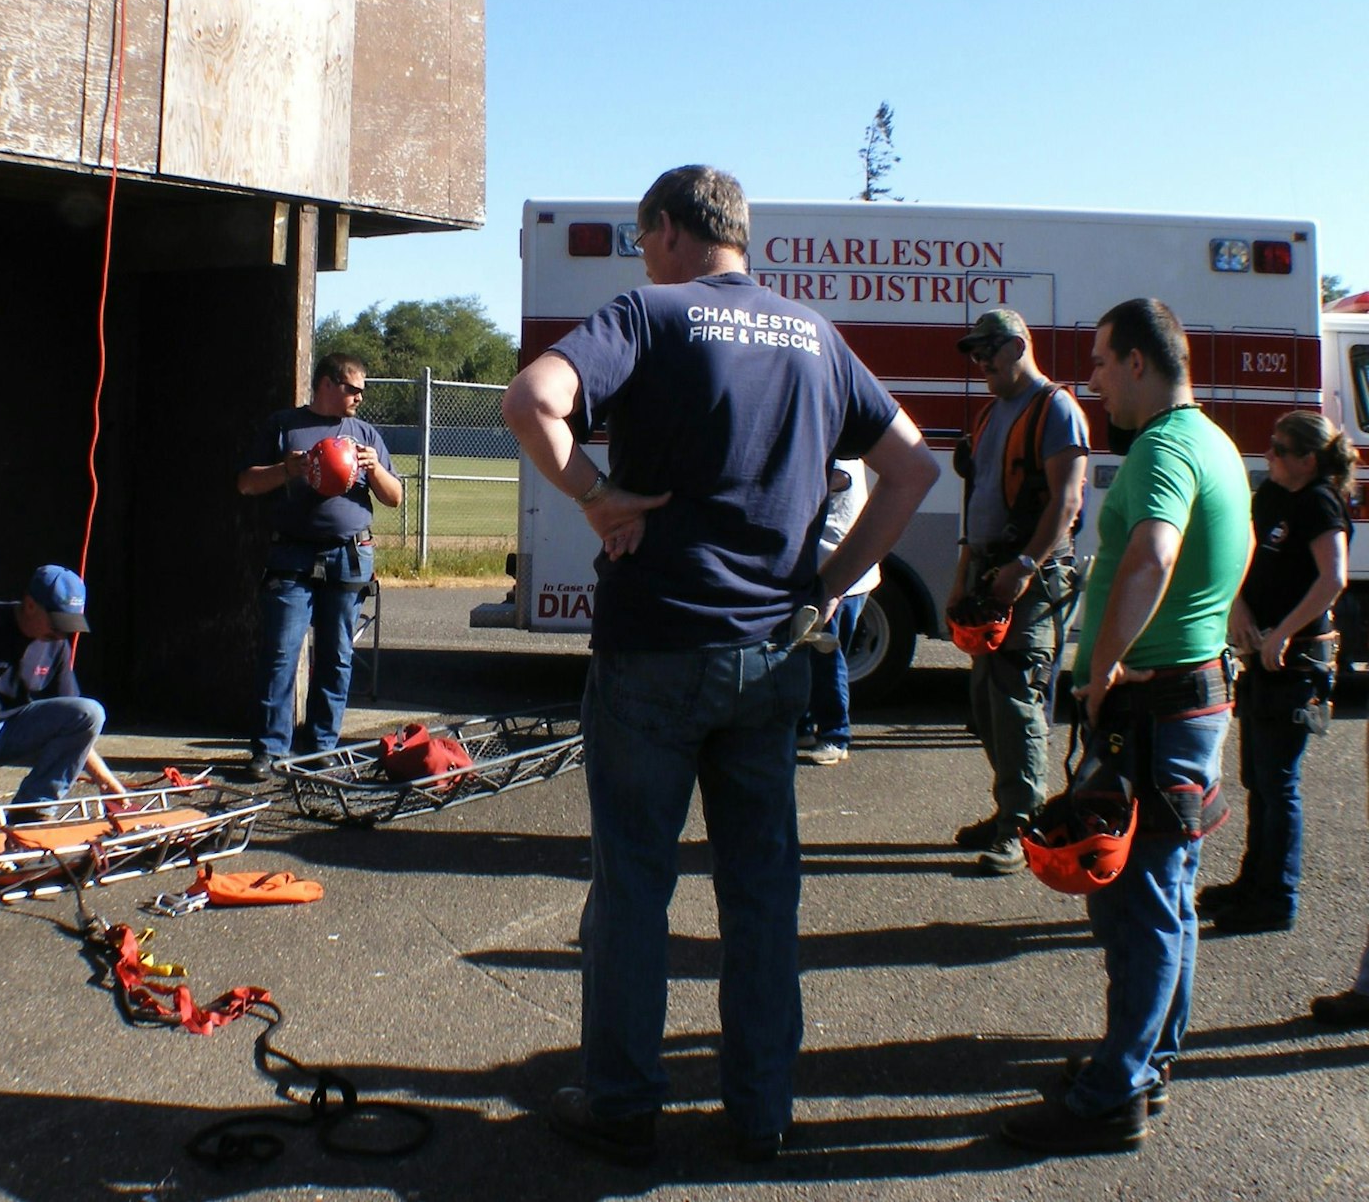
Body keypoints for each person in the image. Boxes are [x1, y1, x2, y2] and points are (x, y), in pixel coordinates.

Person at [503, 164, 938, 1165]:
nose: (640, 255)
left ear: (667, 229)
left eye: (640, 237)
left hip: (654, 648)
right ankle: (760, 1111)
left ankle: (622, 1104)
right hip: (769, 656)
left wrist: (595, 496)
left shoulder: (648, 314)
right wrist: (829, 585)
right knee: (759, 895)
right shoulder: (815, 336)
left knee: (632, 889)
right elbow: (912, 467)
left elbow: (531, 401)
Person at [1001, 298, 1251, 1154]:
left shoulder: (1162, 447)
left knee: (1139, 904)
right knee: (1169, 895)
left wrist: (1104, 664)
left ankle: (1115, 1093)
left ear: (1140, 362)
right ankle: (1146, 1061)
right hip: (1193, 696)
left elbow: (1152, 553)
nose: (1095, 378)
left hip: (1154, 709)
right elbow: (1234, 552)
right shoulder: (1215, 442)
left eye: (1104, 361)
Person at [947, 307, 1090, 875]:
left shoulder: (1056, 408)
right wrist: (962, 572)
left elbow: (1068, 500)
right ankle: (1010, 807)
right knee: (987, 704)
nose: (980, 361)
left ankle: (1022, 826)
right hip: (988, 570)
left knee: (1015, 698)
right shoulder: (991, 414)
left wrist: (1026, 566)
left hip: (1033, 576)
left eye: (987, 350)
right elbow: (977, 498)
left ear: (1017, 346)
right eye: (975, 353)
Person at [1203, 411, 1352, 935]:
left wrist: (1284, 632)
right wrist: (1238, 607)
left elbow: (1333, 579)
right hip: (1260, 655)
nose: (1268, 454)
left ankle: (1276, 897)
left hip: (1297, 662)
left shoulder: (1319, 503)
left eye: (1280, 449)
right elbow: (1240, 557)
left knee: (1279, 782)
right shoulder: (1270, 495)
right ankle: (1253, 883)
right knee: (1257, 780)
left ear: (1308, 460)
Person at [236, 353, 403, 775]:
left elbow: (395, 497)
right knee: (281, 652)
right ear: (326, 384)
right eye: (353, 389)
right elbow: (247, 483)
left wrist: (374, 469)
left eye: (363, 390)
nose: (360, 397)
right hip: (292, 556)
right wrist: (287, 469)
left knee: (337, 655)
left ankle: (320, 746)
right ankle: (270, 750)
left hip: (347, 555)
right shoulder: (283, 425)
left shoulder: (365, 435)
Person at [0, 564, 126, 819]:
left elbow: (78, 725)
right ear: (30, 605)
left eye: (68, 624)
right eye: (56, 623)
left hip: (16, 728)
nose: (62, 633)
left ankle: (34, 808)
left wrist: (105, 780)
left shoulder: (56, 643)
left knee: (90, 712)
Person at [796, 459, 879, 766]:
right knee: (805, 654)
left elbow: (827, 481)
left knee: (826, 656)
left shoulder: (841, 457)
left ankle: (835, 734)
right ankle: (803, 726)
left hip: (836, 577)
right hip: (825, 573)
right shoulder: (836, 449)